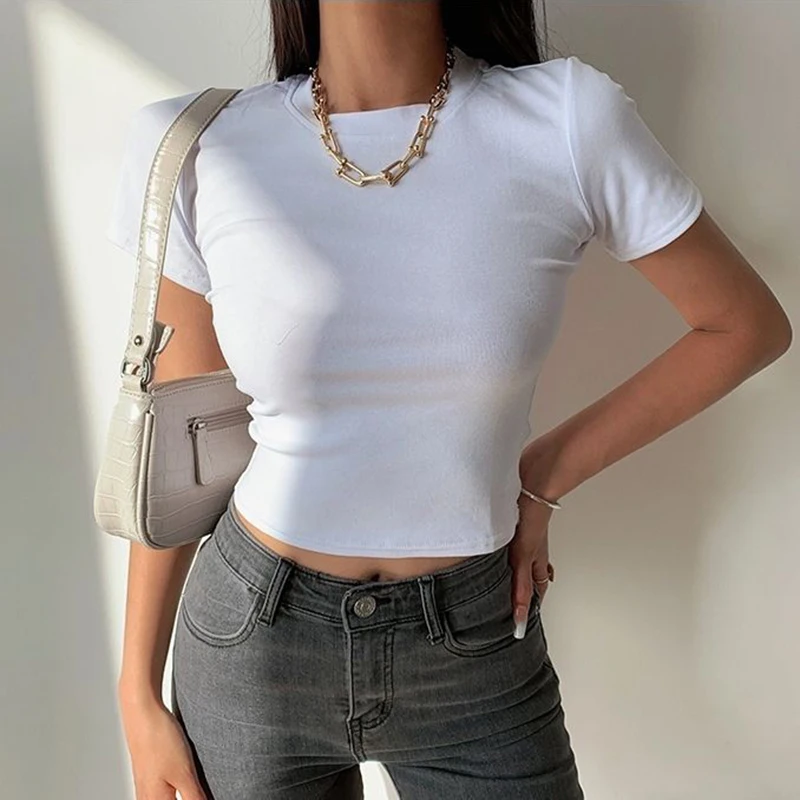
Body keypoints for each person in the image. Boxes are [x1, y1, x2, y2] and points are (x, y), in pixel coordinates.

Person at [108, 2, 792, 799]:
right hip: (251, 642)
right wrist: (136, 693)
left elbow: (743, 326)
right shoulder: (200, 145)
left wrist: (544, 474)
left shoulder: (567, 121)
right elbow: (180, 445)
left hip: (474, 645)